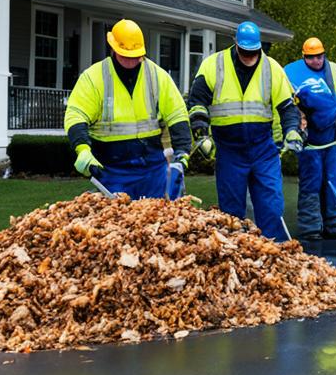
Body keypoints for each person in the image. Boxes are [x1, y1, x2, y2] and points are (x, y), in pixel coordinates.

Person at [187, 21, 303, 241]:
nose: (249, 58)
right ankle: (235, 257)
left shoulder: (271, 68)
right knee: (231, 214)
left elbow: (287, 107)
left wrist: (292, 131)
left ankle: (274, 254)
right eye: (245, 52)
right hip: (229, 150)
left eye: (254, 53)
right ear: (235, 44)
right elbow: (197, 102)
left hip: (263, 149)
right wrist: (201, 134)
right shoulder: (214, 65)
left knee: (271, 207)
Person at [64, 19, 191, 198]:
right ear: (113, 48)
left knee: (161, 222)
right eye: (125, 55)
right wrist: (83, 149)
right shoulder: (94, 78)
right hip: (111, 169)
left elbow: (177, 115)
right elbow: (76, 115)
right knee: (117, 223)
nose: (131, 61)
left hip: (153, 168)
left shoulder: (157, 76)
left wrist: (182, 152)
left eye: (135, 56)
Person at [284, 37, 336, 241]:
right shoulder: (291, 71)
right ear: (304, 56)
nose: (316, 61)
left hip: (330, 137)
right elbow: (285, 101)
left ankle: (332, 226)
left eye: (319, 56)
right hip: (310, 138)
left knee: (332, 178)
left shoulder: (333, 69)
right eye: (311, 57)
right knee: (311, 180)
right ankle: (310, 229)